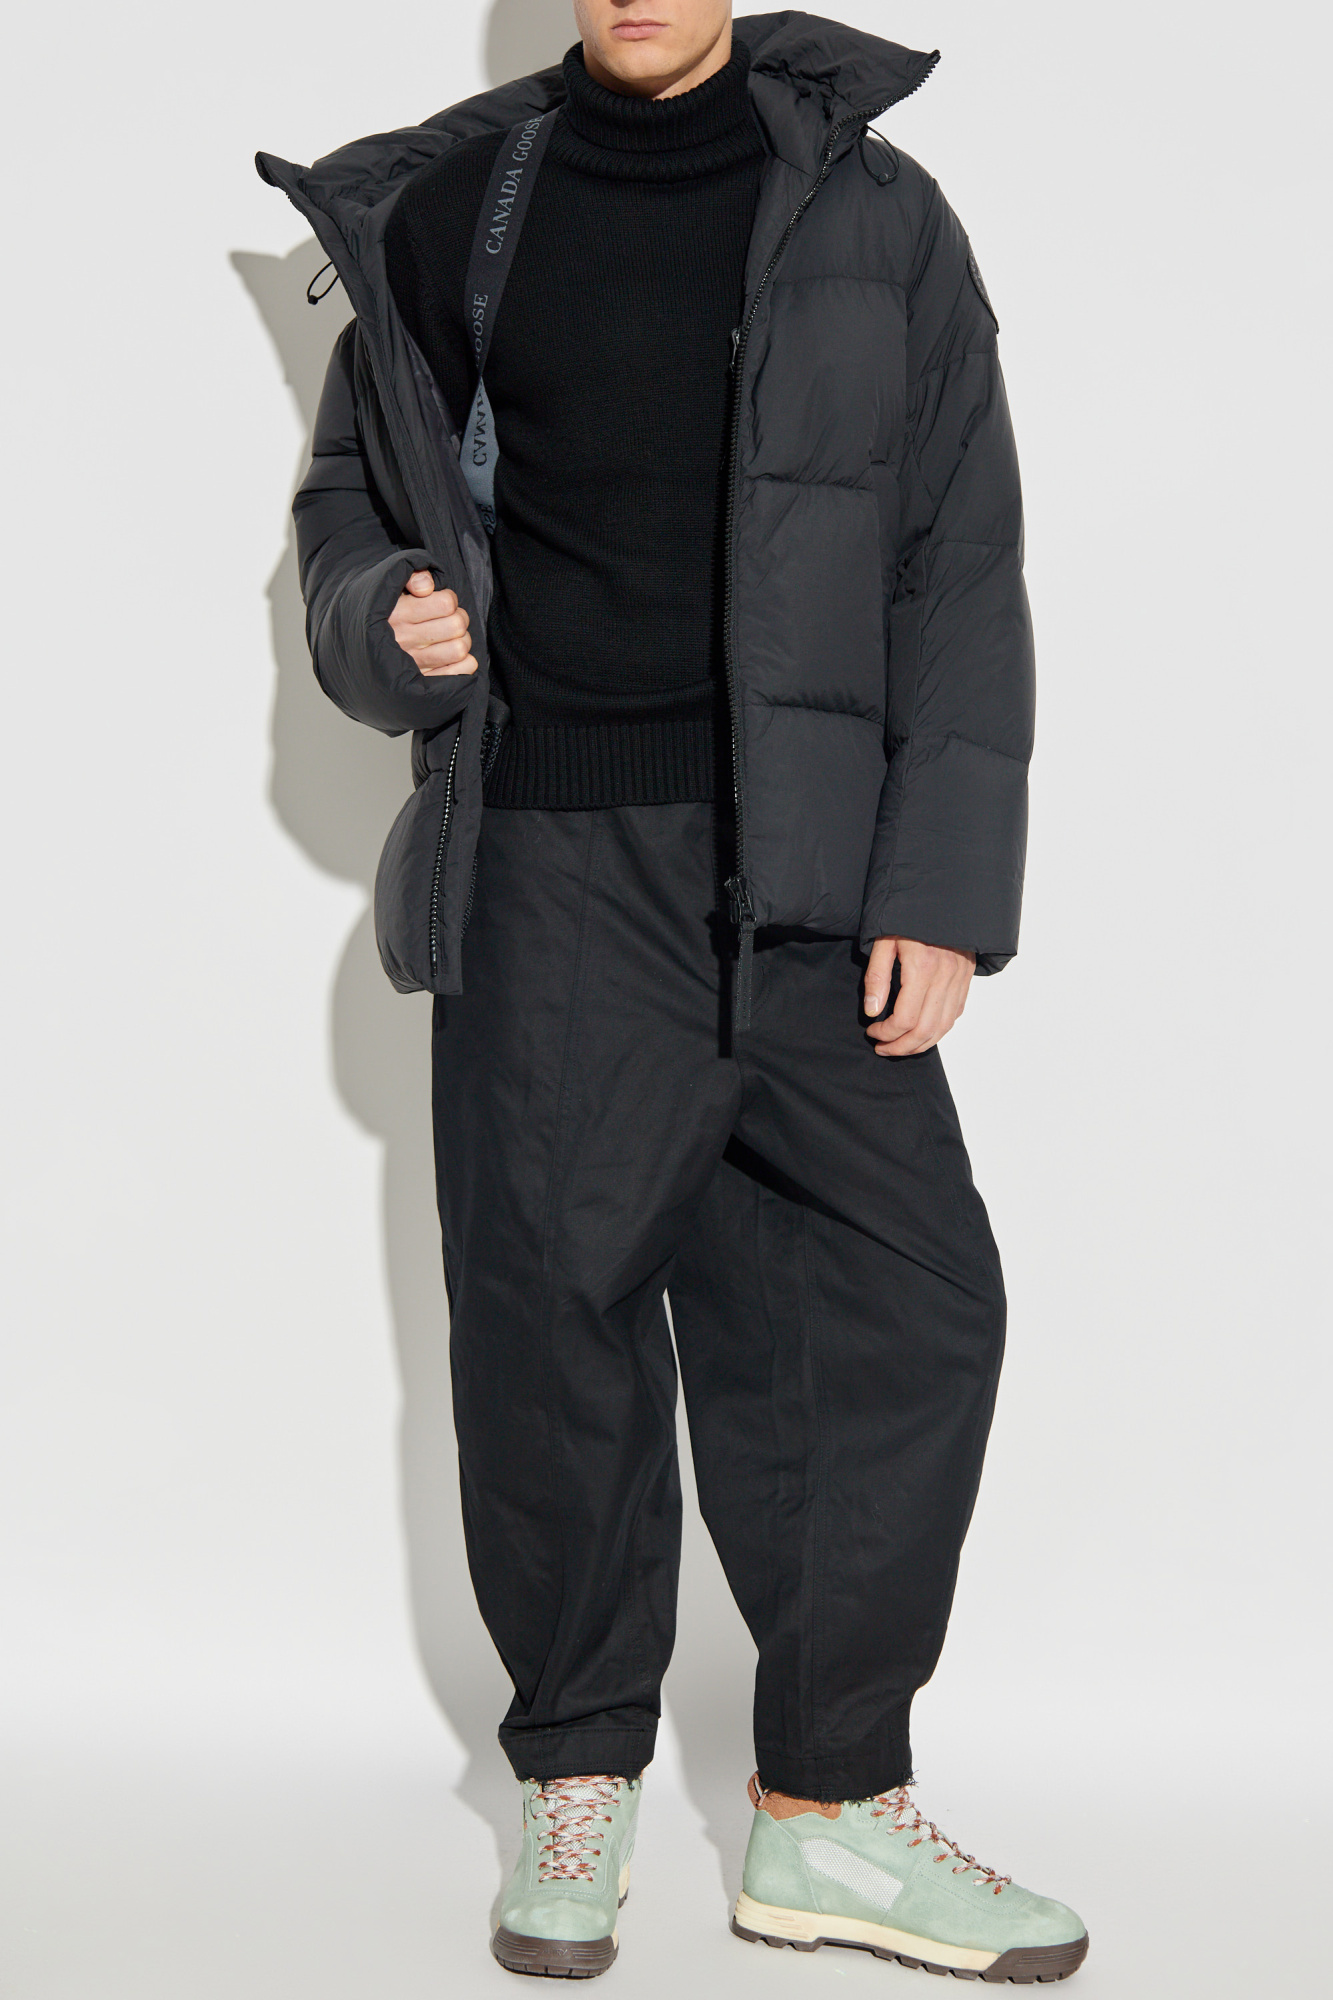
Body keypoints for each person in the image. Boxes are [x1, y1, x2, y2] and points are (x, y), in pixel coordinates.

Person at [259, 1, 1088, 1983]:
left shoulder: (879, 213)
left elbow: (954, 557)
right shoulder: (459, 203)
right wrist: (382, 616)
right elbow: (345, 510)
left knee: (901, 1307)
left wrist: (935, 891)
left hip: (810, 875)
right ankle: (578, 1769)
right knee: (553, 1324)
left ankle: (826, 1810)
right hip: (553, 861)